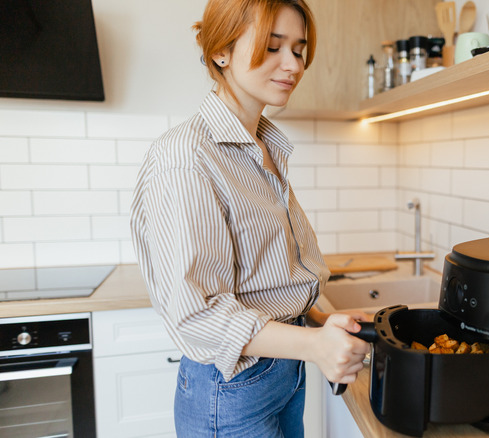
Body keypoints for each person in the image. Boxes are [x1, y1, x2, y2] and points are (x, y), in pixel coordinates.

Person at [129, 0, 370, 436]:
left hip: (281, 371)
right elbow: (197, 313)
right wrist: (314, 345)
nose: (292, 64)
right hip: (233, 386)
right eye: (273, 46)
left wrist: (318, 321)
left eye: (299, 50)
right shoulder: (186, 157)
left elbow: (269, 278)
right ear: (221, 51)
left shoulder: (263, 147)